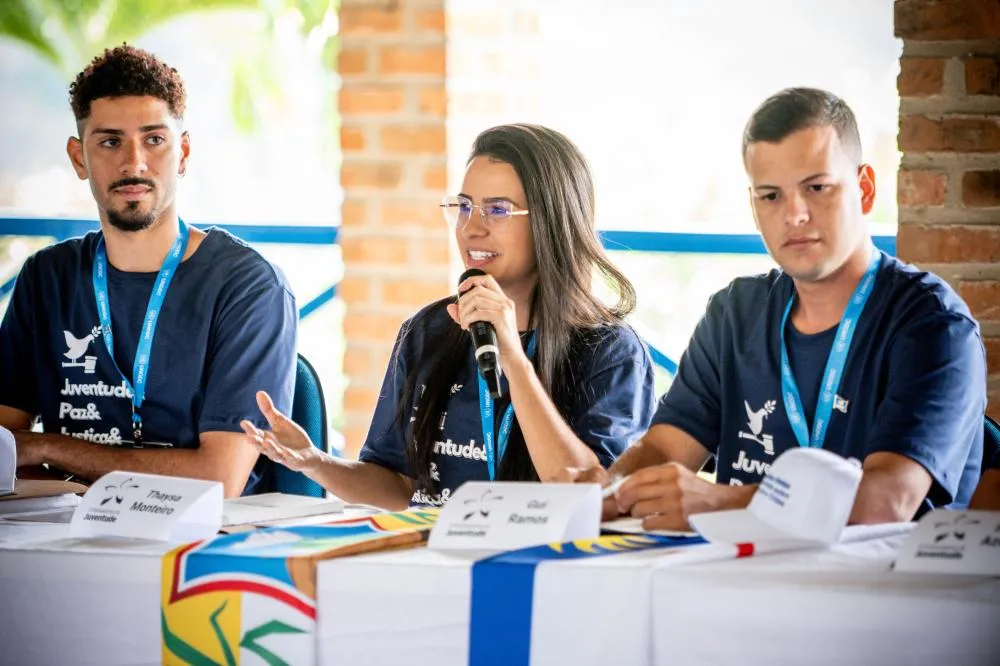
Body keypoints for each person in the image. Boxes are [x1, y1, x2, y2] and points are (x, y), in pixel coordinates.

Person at [573, 87, 986, 529]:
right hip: (739, 581)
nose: (795, 214)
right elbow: (662, 452)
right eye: (771, 196)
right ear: (753, 208)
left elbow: (884, 504)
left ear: (864, 190)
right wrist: (610, 491)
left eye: (817, 188)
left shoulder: (934, 325)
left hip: (878, 588)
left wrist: (718, 502)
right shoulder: (734, 312)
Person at [242, 123, 656, 508]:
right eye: (463, 206)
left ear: (551, 221)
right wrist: (314, 462)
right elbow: (401, 487)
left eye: (497, 210)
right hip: (436, 564)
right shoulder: (429, 330)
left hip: (550, 568)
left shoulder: (610, 351)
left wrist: (513, 358)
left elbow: (591, 497)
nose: (470, 228)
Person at [0, 45, 297, 497]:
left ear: (183, 153)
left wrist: (49, 448)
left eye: (154, 140)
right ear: (80, 159)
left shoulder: (248, 285)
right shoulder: (47, 276)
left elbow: (219, 478)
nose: (134, 162)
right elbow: (4, 451)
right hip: (60, 532)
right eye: (110, 141)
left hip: (200, 546)